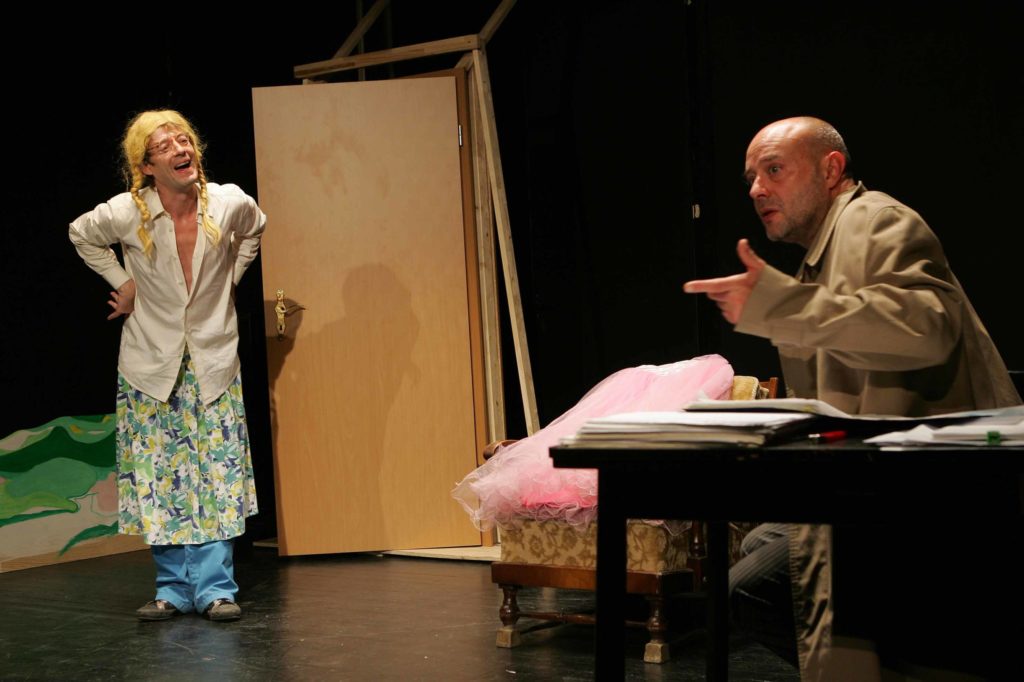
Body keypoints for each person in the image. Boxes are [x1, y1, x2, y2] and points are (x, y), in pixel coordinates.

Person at [684, 117, 1020, 678]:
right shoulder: (822, 252)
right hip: (875, 479)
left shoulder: (875, 221)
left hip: (942, 487)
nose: (757, 189)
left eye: (774, 170)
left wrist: (780, 306)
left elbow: (926, 328)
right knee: (766, 538)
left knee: (749, 589)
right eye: (751, 179)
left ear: (831, 169)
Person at [69, 110, 266, 623]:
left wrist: (229, 280)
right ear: (146, 166)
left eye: (185, 140)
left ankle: (216, 589)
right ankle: (173, 589)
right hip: (151, 362)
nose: (182, 149)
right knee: (163, 476)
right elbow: (80, 233)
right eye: (166, 146)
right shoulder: (126, 212)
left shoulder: (228, 202)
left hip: (212, 358)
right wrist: (123, 281)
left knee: (215, 473)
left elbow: (255, 229)